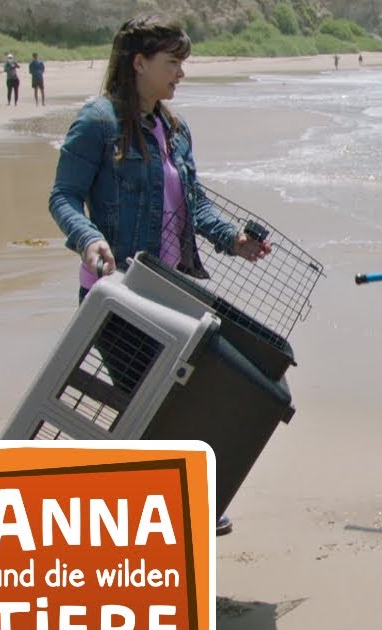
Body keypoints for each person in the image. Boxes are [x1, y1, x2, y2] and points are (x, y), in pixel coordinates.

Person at [48, 16, 272, 537]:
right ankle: (168, 512)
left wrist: (233, 240)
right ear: (139, 63)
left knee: (177, 398)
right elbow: (62, 196)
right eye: (173, 62)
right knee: (149, 400)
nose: (181, 74)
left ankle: (167, 508)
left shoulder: (173, 129)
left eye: (183, 63)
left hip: (173, 291)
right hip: (117, 294)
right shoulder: (98, 123)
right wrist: (89, 239)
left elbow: (192, 201)